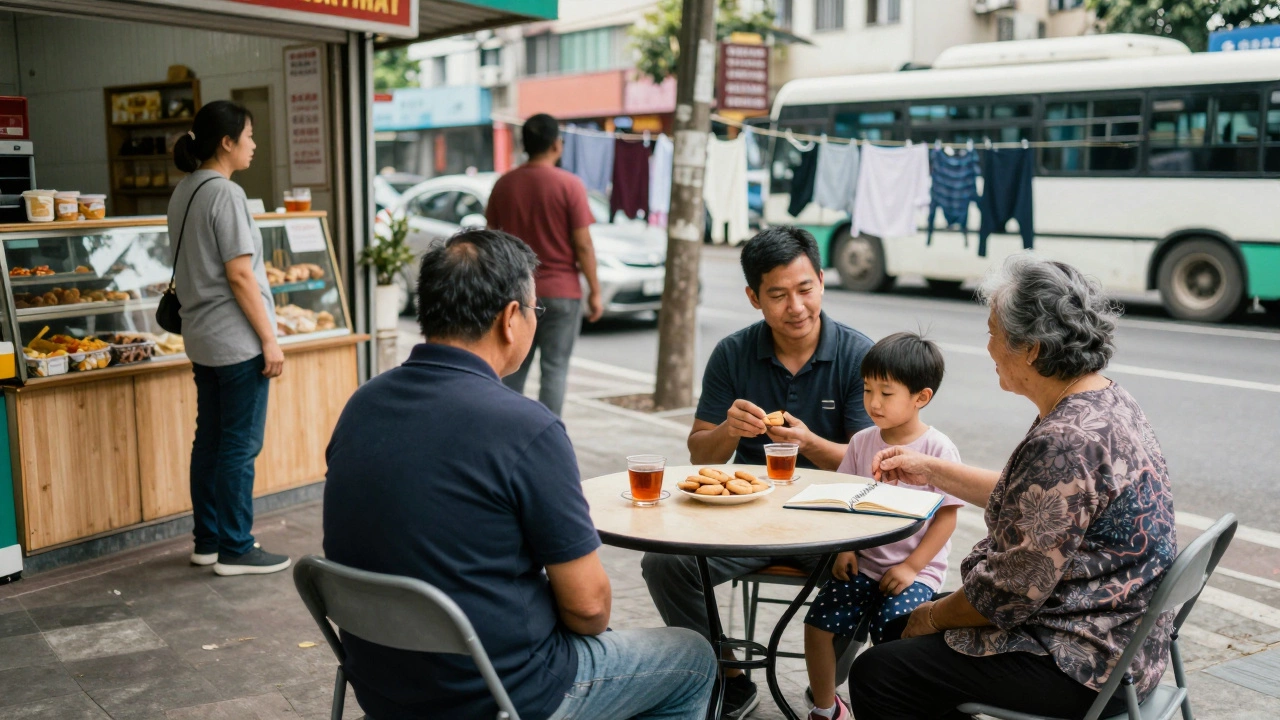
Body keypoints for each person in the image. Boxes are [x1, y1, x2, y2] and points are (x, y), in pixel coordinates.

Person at [323, 229, 717, 720]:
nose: (535, 320)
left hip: (384, 688)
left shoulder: (362, 405)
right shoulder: (524, 427)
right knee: (694, 658)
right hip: (500, 694)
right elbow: (591, 610)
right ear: (512, 318)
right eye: (536, 309)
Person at [850, 254, 1177, 720]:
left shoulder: (1064, 439)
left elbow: (1007, 594)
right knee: (900, 634)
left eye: (992, 333)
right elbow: (1037, 503)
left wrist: (929, 617)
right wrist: (931, 470)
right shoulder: (1104, 398)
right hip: (1126, 640)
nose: (987, 348)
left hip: (1081, 661)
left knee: (880, 670)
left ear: (1032, 350)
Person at [642, 226, 874, 718]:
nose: (796, 306)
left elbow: (869, 464)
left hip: (833, 523)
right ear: (753, 297)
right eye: (778, 294)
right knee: (664, 563)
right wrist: (729, 431)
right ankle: (728, 676)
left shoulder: (858, 356)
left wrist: (809, 442)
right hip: (748, 519)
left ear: (822, 281)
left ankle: (826, 690)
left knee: (875, 570)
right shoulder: (733, 353)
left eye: (805, 289)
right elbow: (701, 457)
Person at [802, 332, 963, 720]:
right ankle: (826, 709)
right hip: (863, 563)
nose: (873, 402)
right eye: (868, 389)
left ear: (920, 397)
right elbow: (845, 499)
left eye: (886, 393)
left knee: (892, 637)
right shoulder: (861, 442)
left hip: (915, 572)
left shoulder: (938, 450)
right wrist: (844, 548)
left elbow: (947, 515)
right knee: (816, 625)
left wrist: (911, 567)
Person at [170, 100, 289, 577]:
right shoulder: (226, 194)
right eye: (250, 136)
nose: (254, 145)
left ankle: (208, 541)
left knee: (211, 442)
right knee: (239, 446)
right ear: (227, 141)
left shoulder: (183, 191)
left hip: (201, 339)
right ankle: (237, 548)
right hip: (236, 341)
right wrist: (271, 340)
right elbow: (240, 274)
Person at [486, 113, 603, 417]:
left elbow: (492, 243)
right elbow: (583, 245)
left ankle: (506, 432)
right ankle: (545, 437)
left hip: (515, 295)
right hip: (563, 293)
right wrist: (595, 291)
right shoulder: (570, 185)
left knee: (513, 369)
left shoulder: (504, 184)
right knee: (555, 370)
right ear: (556, 144)